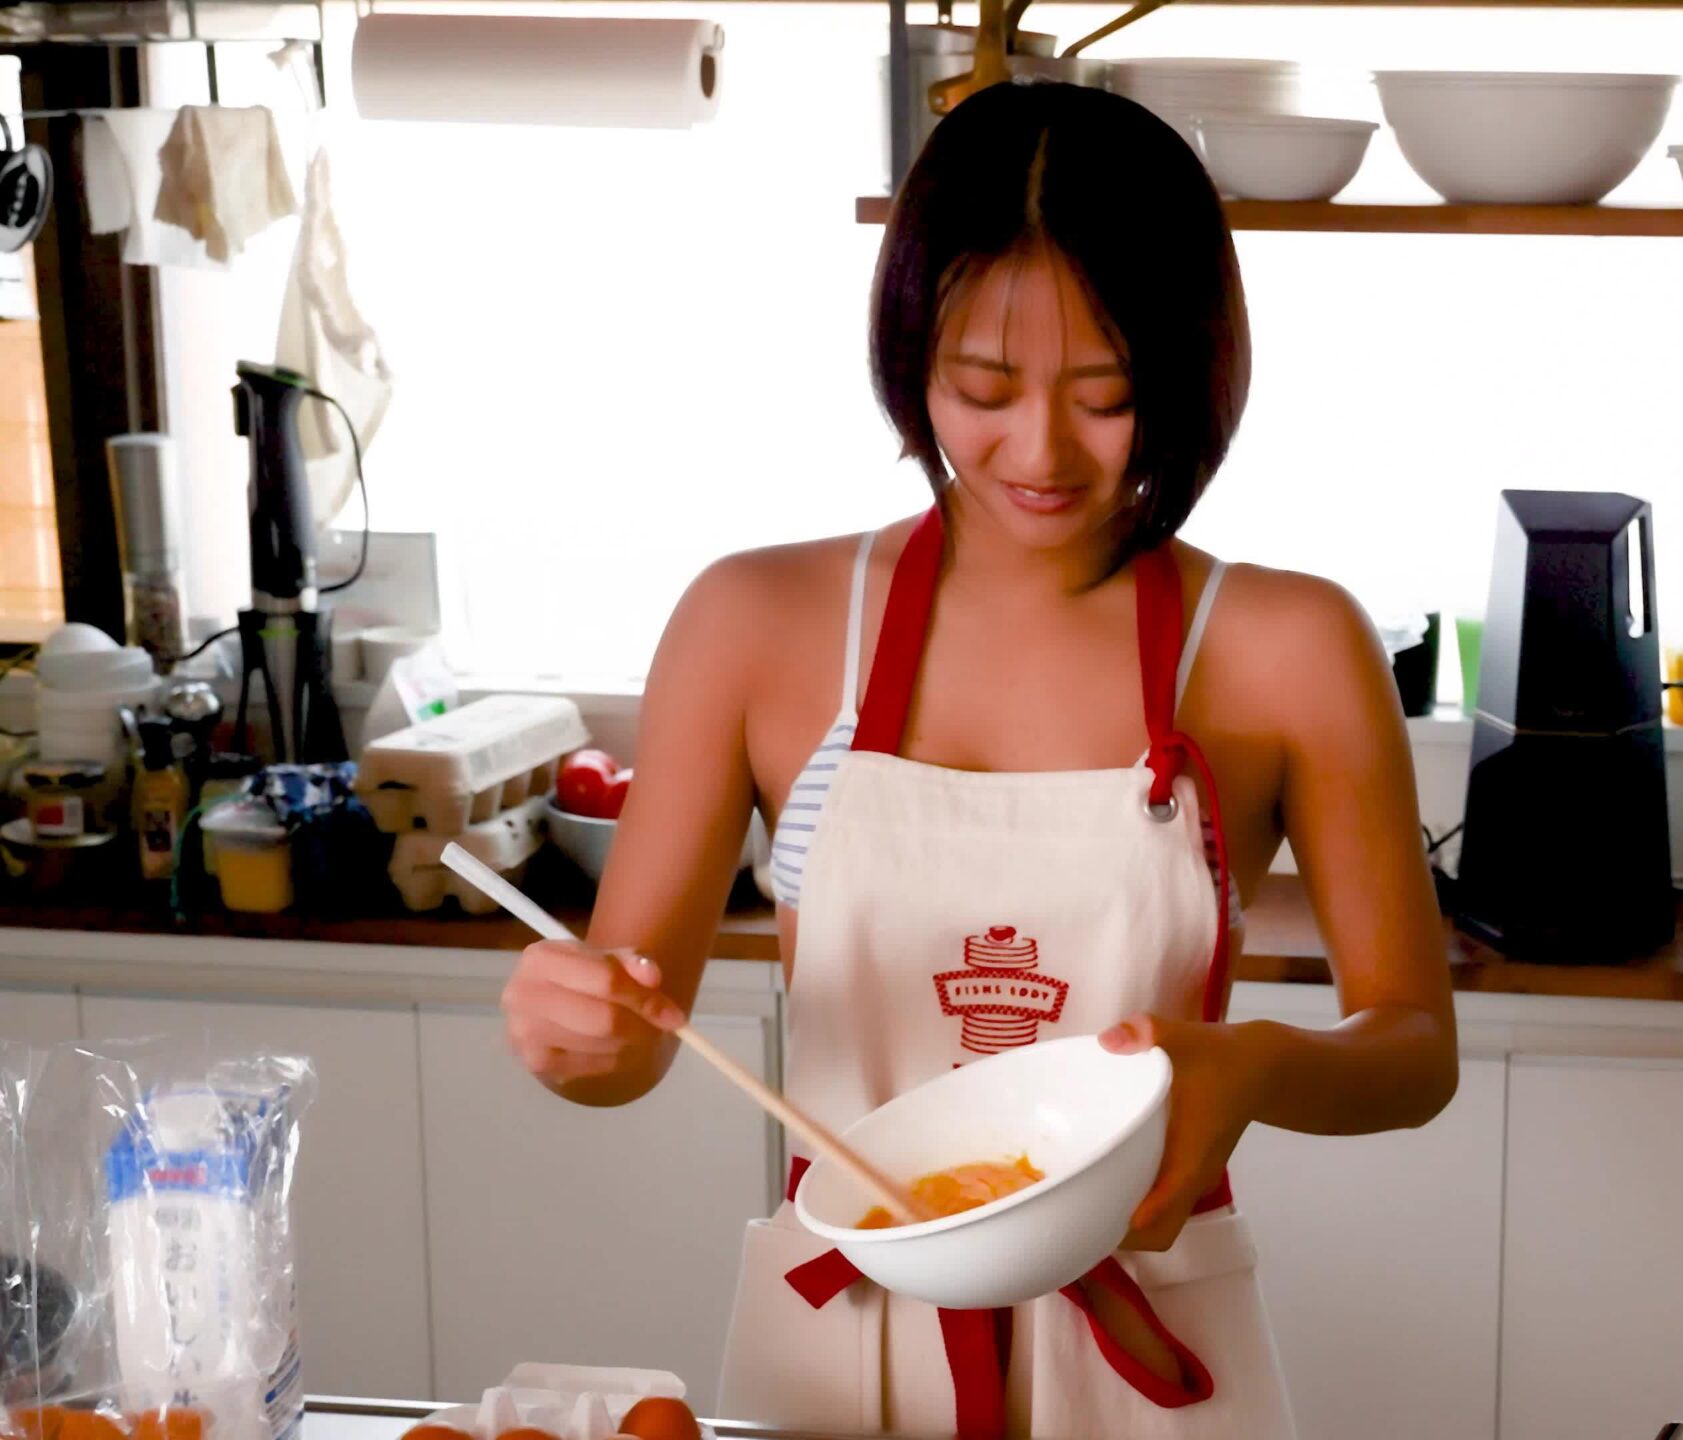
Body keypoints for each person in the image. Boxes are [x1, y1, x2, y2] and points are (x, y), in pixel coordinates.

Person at [495, 80, 1460, 1439]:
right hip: (841, 1345)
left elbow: (1415, 1049)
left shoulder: (1288, 646)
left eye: (1108, 396)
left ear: (1188, 372)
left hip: (1153, 1334)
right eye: (982, 389)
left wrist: (1251, 1065)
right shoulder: (753, 624)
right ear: (912, 357)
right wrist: (576, 1032)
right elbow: (633, 1041)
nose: (1041, 452)